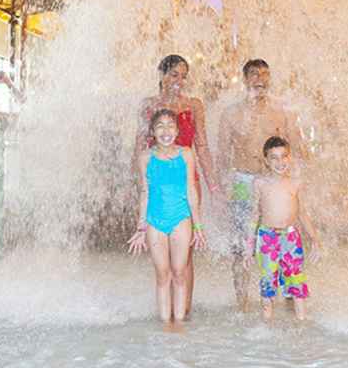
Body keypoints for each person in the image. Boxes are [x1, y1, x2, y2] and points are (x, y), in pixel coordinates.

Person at [216, 59, 309, 311]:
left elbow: (296, 147)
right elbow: (223, 155)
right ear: (245, 79)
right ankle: (242, 303)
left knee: (286, 236)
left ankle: (291, 301)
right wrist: (222, 189)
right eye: (255, 74)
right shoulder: (231, 113)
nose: (261, 79)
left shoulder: (281, 112)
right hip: (243, 180)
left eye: (265, 74)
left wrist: (300, 182)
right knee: (240, 244)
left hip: (275, 181)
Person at [133, 54, 220, 315]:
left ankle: (184, 311)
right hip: (157, 182)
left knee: (186, 252)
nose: (179, 81)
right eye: (174, 75)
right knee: (160, 253)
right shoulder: (148, 105)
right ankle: (165, 308)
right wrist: (137, 185)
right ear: (161, 75)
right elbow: (138, 145)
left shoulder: (194, 105)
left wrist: (213, 185)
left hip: (186, 180)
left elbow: (202, 146)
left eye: (183, 76)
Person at [128, 109, 206, 324]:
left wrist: (198, 228)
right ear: (152, 131)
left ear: (177, 130)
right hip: (155, 221)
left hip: (181, 218)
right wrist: (140, 228)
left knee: (180, 273)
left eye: (170, 125)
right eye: (160, 126)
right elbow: (145, 192)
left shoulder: (186, 154)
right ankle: (165, 323)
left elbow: (191, 190)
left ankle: (179, 324)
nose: (166, 130)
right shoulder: (145, 157)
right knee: (163, 275)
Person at [246, 136, 319, 321]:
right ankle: (267, 326)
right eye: (274, 158)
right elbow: (254, 214)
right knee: (268, 284)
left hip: (291, 238)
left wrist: (315, 238)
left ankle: (301, 325)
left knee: (297, 282)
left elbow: (302, 213)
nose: (280, 162)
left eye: (284, 156)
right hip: (267, 238)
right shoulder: (259, 183)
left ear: (290, 157)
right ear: (266, 160)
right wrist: (248, 246)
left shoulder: (296, 183)